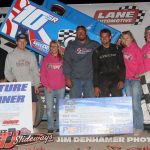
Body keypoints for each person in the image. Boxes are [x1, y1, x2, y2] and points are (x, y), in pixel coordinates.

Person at [4, 33, 40, 126]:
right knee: (18, 106)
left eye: (24, 42)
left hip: (30, 84)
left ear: (26, 42)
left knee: (33, 103)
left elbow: (35, 71)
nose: (22, 43)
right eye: (20, 41)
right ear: (16, 42)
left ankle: (31, 125)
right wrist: (13, 80)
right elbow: (7, 72)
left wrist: (36, 84)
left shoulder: (31, 55)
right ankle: (19, 125)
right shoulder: (10, 56)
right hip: (17, 85)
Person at [63, 25, 99, 98]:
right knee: (75, 103)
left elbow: (101, 59)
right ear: (76, 34)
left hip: (90, 79)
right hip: (75, 79)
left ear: (86, 33)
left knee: (91, 103)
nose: (80, 34)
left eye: (82, 32)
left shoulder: (94, 44)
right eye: (78, 32)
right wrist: (67, 78)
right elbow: (67, 62)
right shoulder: (71, 45)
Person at [121, 31, 144, 134]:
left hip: (135, 81)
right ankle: (133, 126)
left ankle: (139, 127)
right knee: (130, 104)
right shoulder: (123, 50)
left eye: (127, 38)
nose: (125, 40)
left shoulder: (137, 49)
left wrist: (138, 73)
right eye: (123, 38)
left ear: (132, 38)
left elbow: (141, 63)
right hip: (127, 80)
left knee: (136, 104)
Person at [40, 40, 65, 133]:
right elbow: (42, 74)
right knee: (50, 109)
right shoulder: (46, 59)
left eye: (55, 46)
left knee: (59, 108)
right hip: (49, 88)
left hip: (61, 88)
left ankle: (58, 125)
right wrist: (47, 85)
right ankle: (50, 126)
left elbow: (66, 72)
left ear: (58, 47)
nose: (53, 48)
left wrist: (65, 82)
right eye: (51, 46)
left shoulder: (63, 59)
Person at [92, 28, 125, 97]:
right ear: (100, 38)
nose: (104, 38)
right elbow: (95, 70)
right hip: (102, 81)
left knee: (118, 102)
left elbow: (122, 65)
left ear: (110, 37)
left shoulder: (117, 48)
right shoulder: (96, 51)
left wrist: (122, 80)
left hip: (116, 80)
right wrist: (96, 85)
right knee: (103, 104)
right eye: (102, 37)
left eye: (106, 36)